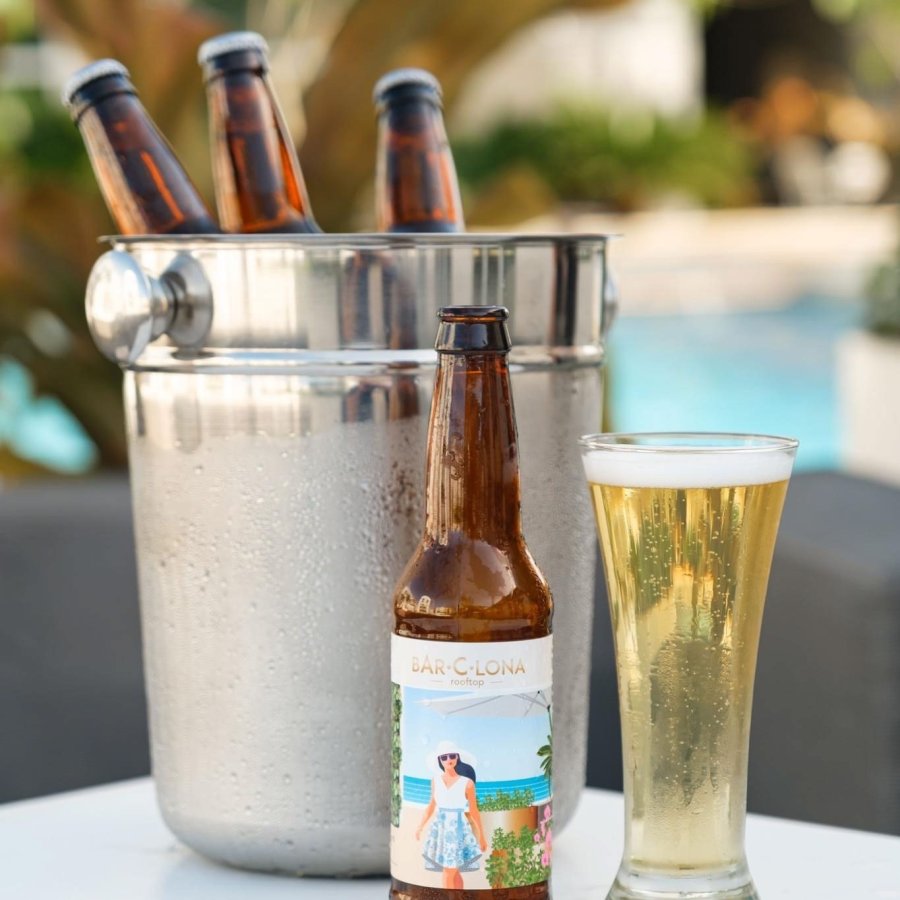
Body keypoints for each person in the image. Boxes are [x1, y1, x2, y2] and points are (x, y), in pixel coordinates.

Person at [415, 741, 487, 889]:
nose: (449, 760)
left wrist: (481, 835)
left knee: (449, 871)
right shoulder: (435, 780)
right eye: (444, 757)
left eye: (452, 756)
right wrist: (420, 827)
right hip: (440, 827)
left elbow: (474, 810)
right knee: (452, 871)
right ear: (440, 761)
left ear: (457, 758)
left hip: (458, 828)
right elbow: (431, 805)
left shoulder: (467, 783)